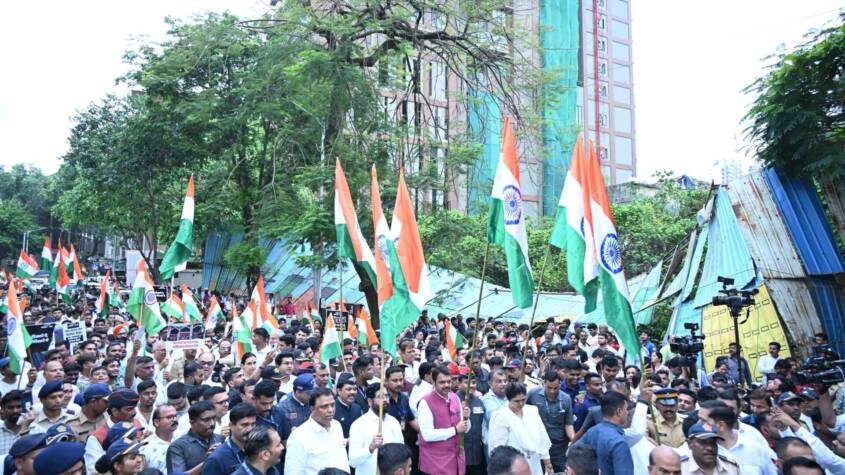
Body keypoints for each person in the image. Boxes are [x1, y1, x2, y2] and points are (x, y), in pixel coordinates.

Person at [488, 382, 552, 475]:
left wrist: (547, 463)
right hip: (514, 467)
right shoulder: (501, 416)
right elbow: (498, 448)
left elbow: (542, 438)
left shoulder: (532, 411)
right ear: (509, 399)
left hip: (534, 462)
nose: (521, 403)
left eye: (523, 400)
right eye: (517, 401)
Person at [417, 364, 469, 475]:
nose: (446, 385)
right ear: (433, 382)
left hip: (456, 460)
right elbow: (427, 435)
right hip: (435, 463)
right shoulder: (425, 402)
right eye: (442, 382)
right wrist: (455, 430)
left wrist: (467, 419)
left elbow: (464, 428)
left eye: (448, 381)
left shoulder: (455, 397)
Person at [285, 387, 350, 474]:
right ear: (312, 408)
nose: (330, 410)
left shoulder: (336, 425)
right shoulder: (299, 436)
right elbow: (293, 472)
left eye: (332, 405)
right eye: (324, 406)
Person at [348, 383, 404, 475]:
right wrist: (371, 448)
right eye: (380, 397)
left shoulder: (394, 422)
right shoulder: (358, 425)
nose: (385, 400)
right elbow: (353, 462)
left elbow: (401, 452)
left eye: (386, 396)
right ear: (370, 401)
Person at [704, 405, 777, 475]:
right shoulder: (705, 452)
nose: (703, 427)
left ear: (720, 425)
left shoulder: (756, 449)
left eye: (708, 423)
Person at [527, 370, 574, 472]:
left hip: (559, 448)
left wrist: (574, 440)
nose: (552, 391)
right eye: (549, 388)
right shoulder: (533, 395)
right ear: (544, 383)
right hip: (538, 447)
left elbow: (568, 424)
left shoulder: (566, 399)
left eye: (555, 388)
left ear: (560, 384)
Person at [578, 391, 634, 475]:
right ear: (619, 411)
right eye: (626, 409)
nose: (627, 412)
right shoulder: (619, 443)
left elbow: (574, 456)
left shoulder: (592, 432)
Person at [166, 400, 225, 473]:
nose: (212, 423)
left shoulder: (220, 439)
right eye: (206, 420)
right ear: (192, 422)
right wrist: (207, 462)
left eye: (214, 418)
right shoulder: (178, 447)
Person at [204, 403, 258, 475]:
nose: (250, 429)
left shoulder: (258, 450)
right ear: (231, 425)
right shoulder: (217, 458)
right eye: (245, 425)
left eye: (253, 424)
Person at [142, 404, 178, 474]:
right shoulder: (146, 446)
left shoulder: (183, 437)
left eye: (175, 416)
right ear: (156, 422)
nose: (174, 420)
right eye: (169, 417)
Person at [0, 390, 26, 456]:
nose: (15, 411)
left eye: (18, 407)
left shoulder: (37, 430)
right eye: (10, 407)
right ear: (2, 409)